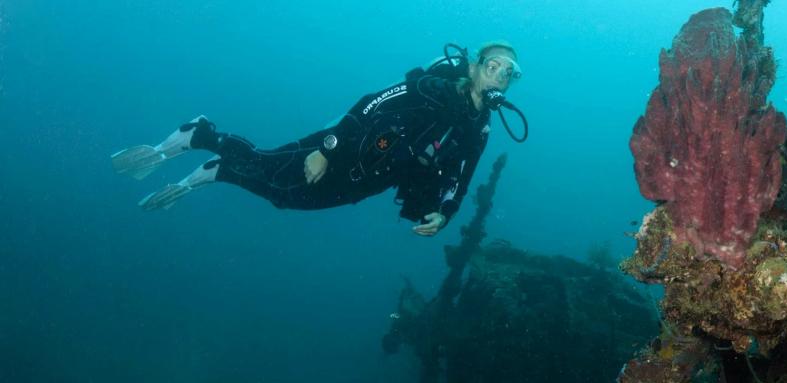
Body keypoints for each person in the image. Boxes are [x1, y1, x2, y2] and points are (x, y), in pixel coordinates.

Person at [111, 42, 526, 236]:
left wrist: (446, 213)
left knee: (285, 198)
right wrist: (326, 152)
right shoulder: (429, 89)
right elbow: (367, 105)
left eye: (509, 73)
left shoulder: (480, 127)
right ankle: (201, 134)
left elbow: (462, 176)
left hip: (371, 180)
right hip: (340, 147)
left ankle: (219, 171)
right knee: (266, 164)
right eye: (494, 66)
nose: (500, 76)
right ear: (474, 66)